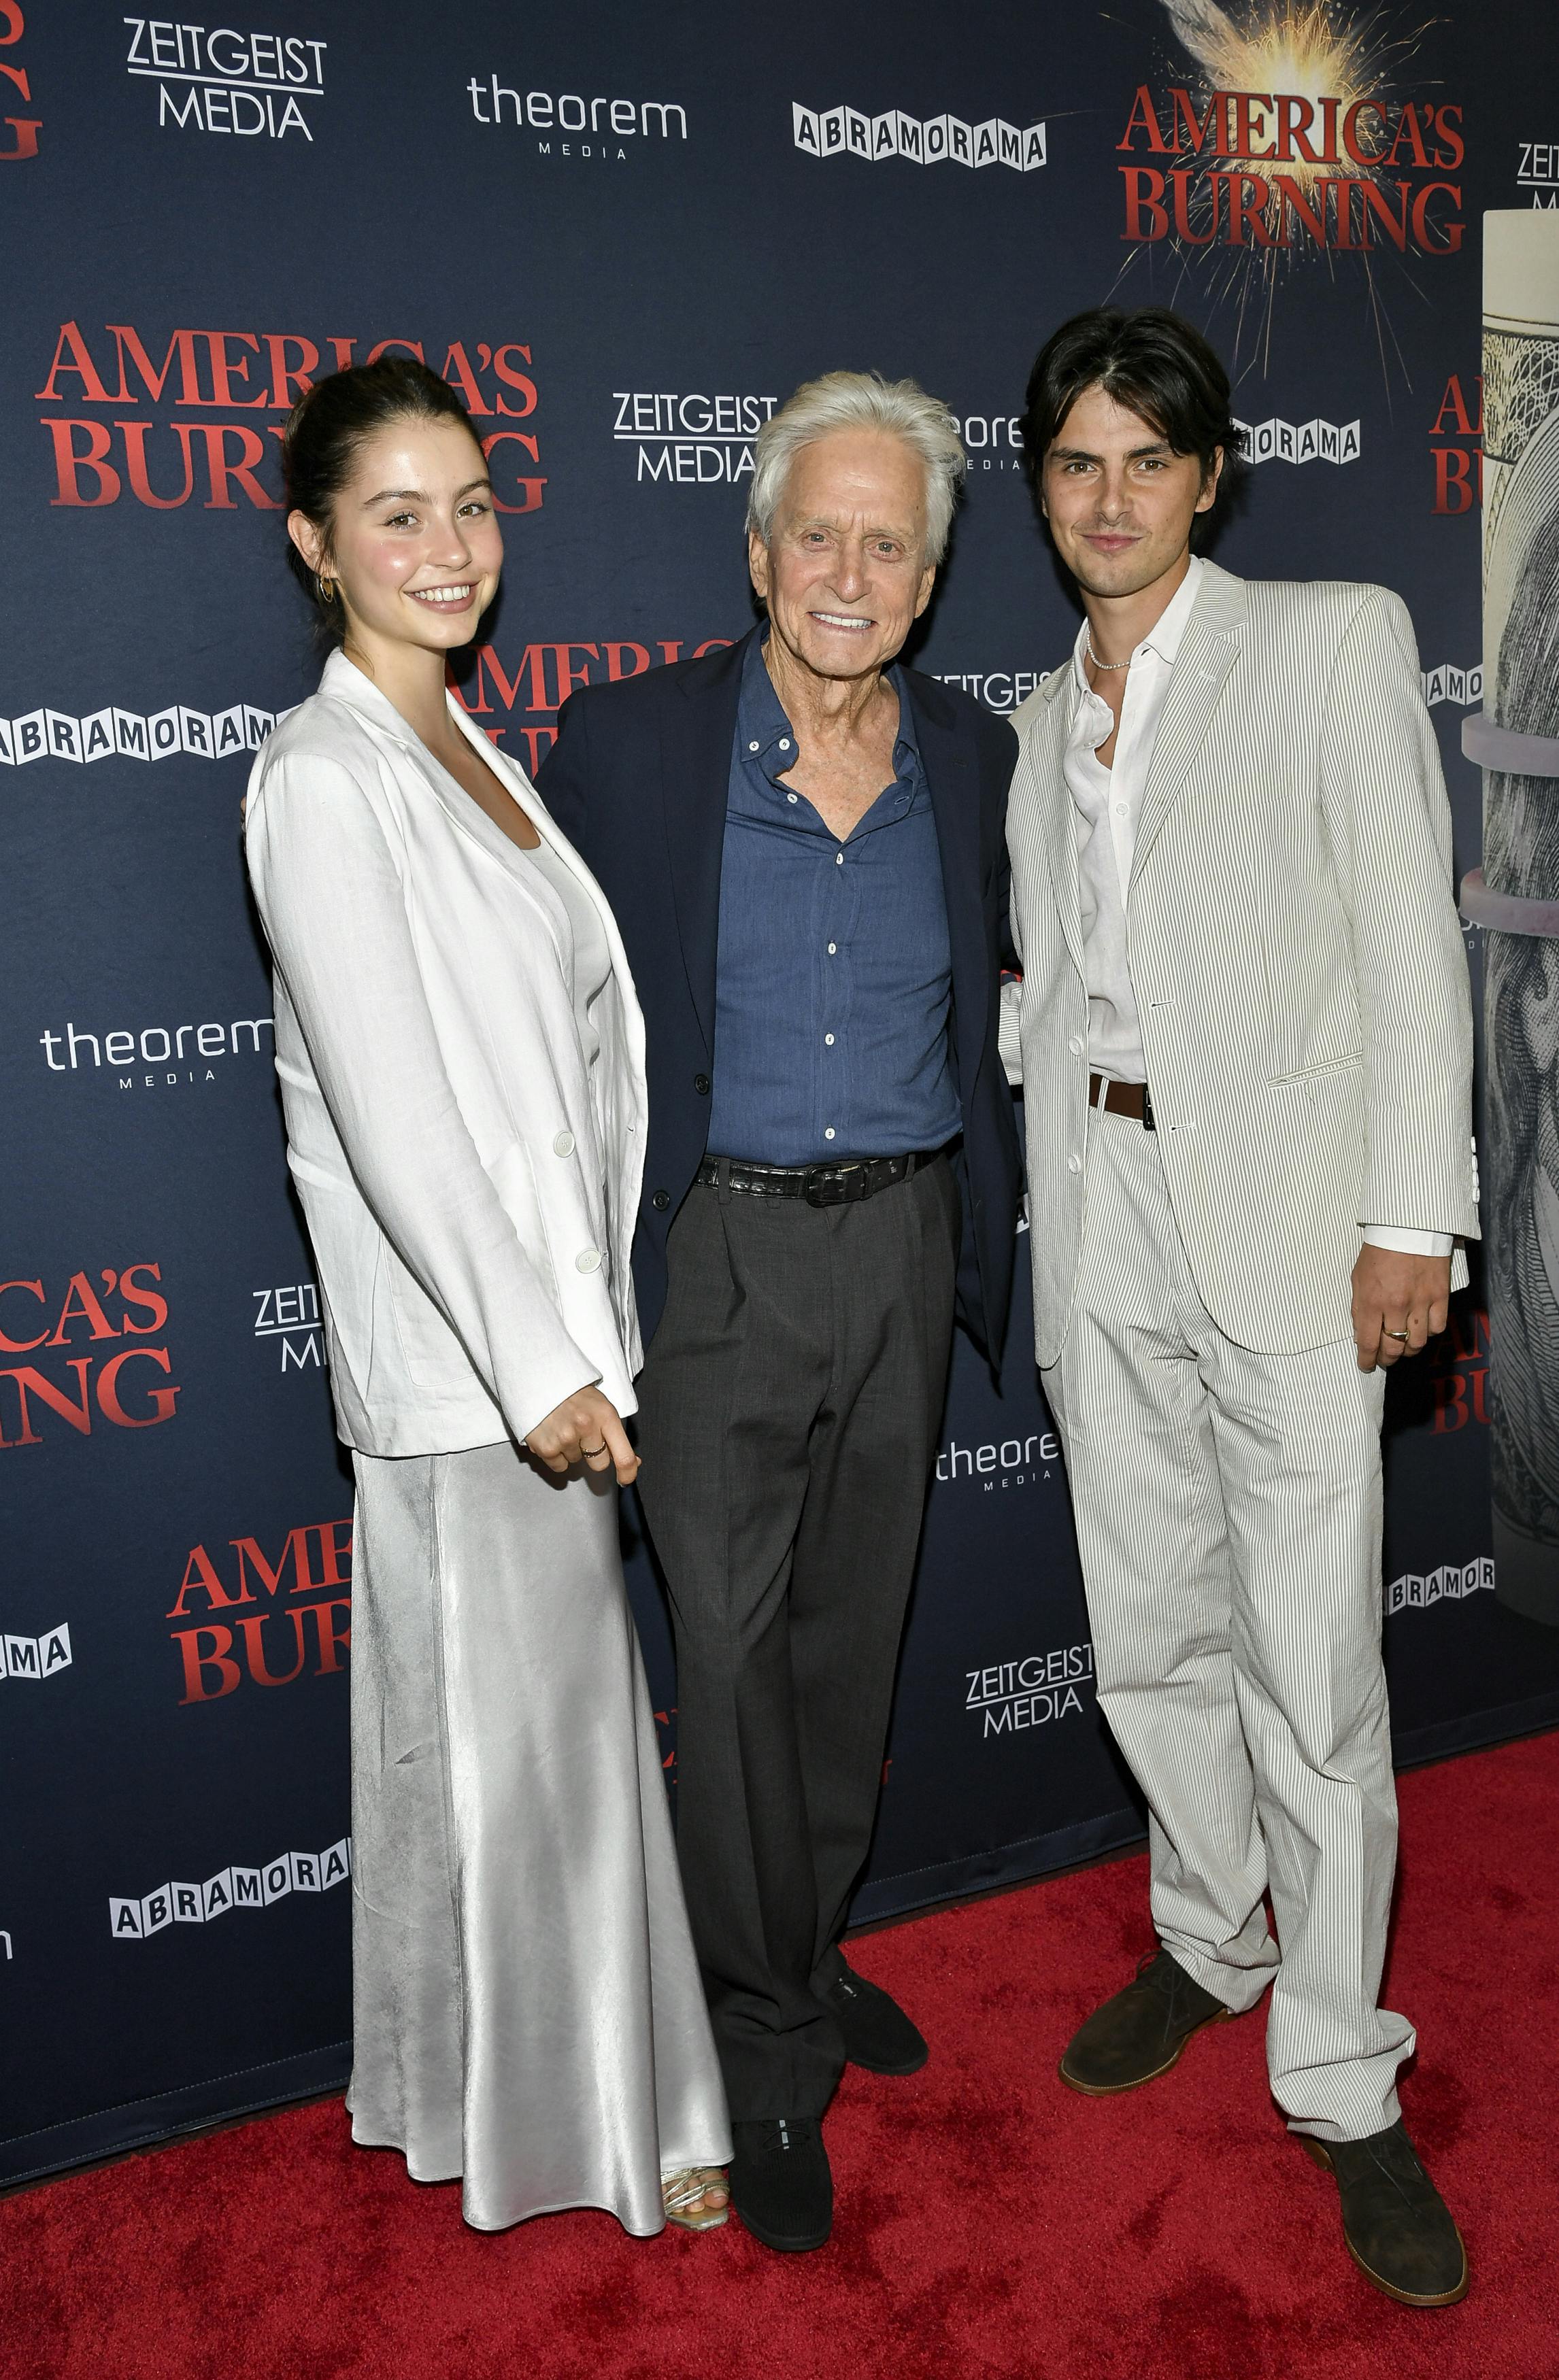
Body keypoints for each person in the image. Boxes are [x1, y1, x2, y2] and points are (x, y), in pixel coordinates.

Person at [1000, 308, 1477, 2307]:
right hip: (1096, 1212)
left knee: (1310, 1668)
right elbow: (1056, 978)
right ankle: (1211, 1931)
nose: (1106, 497)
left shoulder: (1327, 636)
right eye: (1072, 462)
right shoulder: (1033, 714)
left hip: (1292, 1227)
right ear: (1040, 487)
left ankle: (1342, 2076)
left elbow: (1403, 935)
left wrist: (1408, 1220)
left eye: (1143, 459)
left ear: (1207, 476)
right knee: (1147, 1624)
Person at [243, 356, 730, 2237]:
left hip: (544, 1340)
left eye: (469, 504)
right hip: (470, 1373)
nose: (447, 547)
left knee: (529, 1757)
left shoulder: (464, 742)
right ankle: (616, 2128)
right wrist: (538, 1366)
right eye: (395, 512)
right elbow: (398, 1117)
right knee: (535, 1775)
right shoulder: (319, 774)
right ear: (313, 539)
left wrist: (581, 1327)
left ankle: (489, 2098)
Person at [537, 372, 1022, 2251]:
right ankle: (758, 2044)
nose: (847, 567)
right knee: (726, 1668)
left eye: (885, 541)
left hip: (901, 1241)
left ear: (927, 575)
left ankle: (802, 1954)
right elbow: (547, 1047)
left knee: (845, 1644)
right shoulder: (628, 748)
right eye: (814, 531)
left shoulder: (971, 757)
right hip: (714, 1259)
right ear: (754, 553)